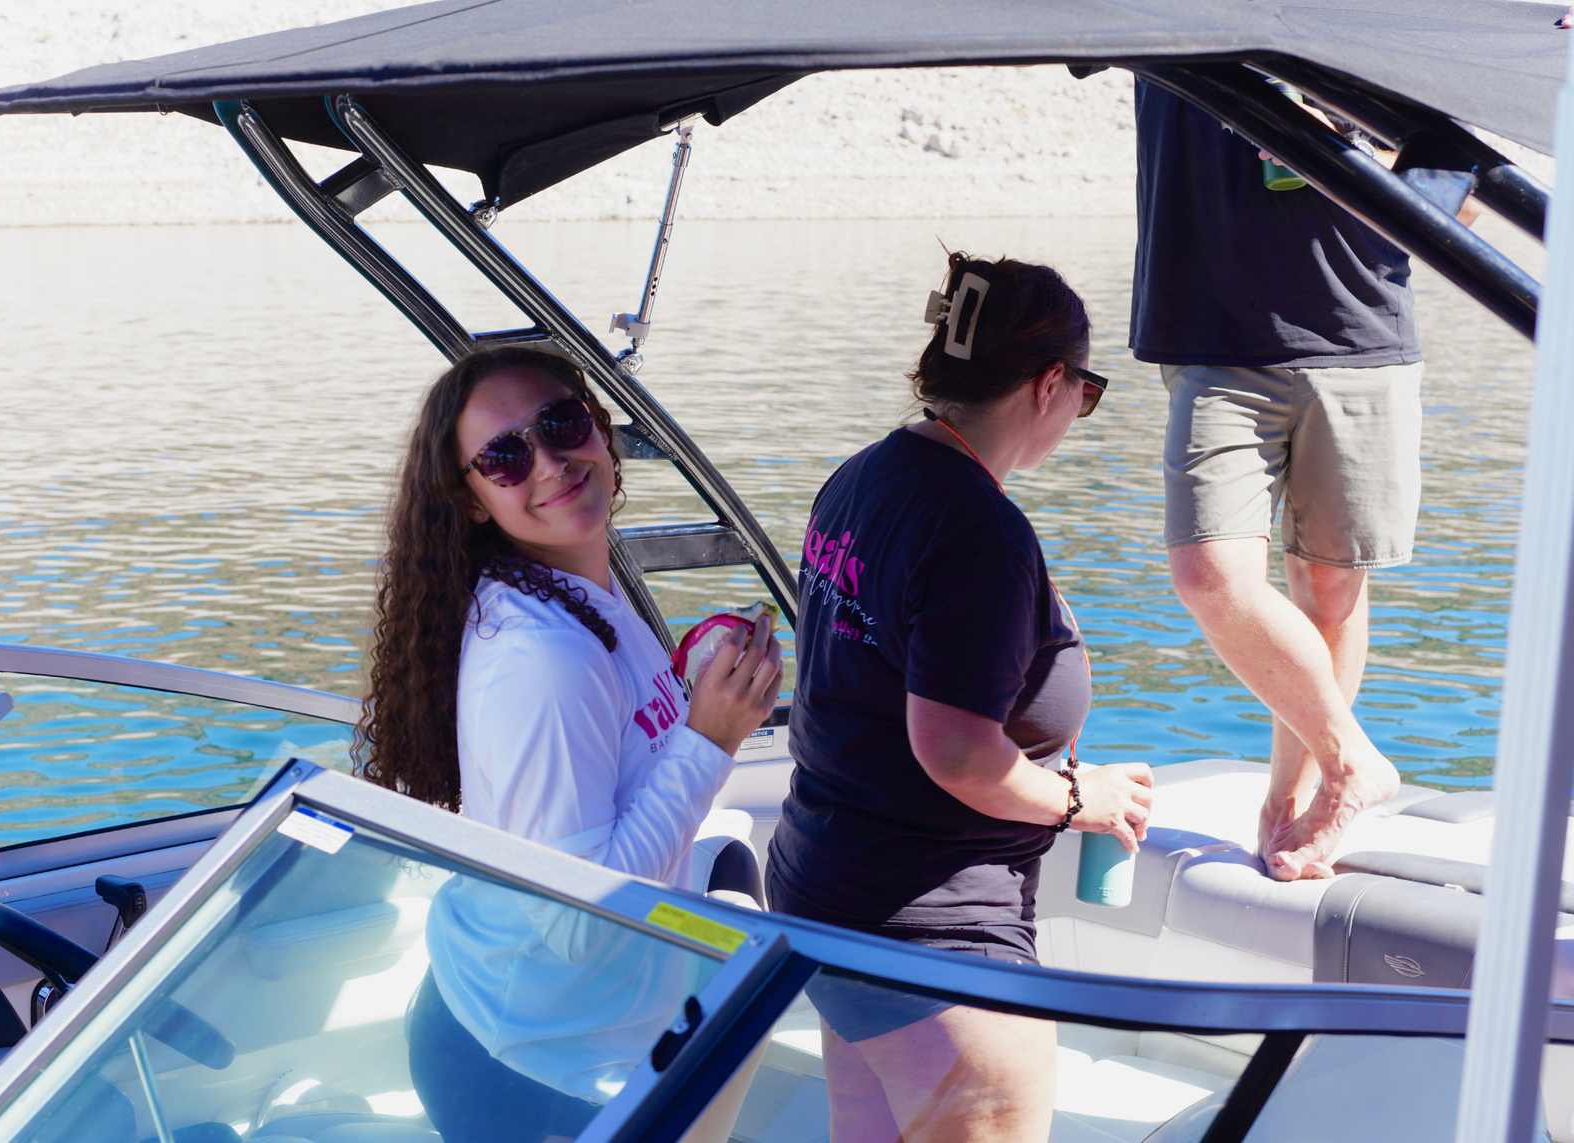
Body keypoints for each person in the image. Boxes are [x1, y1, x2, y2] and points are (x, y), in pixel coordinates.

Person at [768, 253, 1155, 1143]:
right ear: (1050, 381)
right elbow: (953, 749)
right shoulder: (981, 529)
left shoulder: (863, 476)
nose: (1076, 414)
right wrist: (1076, 799)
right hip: (932, 936)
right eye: (1086, 393)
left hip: (827, 893)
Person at [354, 345, 783, 1143]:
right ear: (475, 499)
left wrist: (694, 703)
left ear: (601, 427)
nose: (549, 461)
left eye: (561, 422)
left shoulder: (580, 588)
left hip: (572, 1030)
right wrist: (710, 737)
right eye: (505, 456)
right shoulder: (540, 654)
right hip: (535, 1071)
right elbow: (583, 920)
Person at [1132, 82, 1480, 881]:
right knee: (1209, 572)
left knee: (1329, 586)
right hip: (1214, 325)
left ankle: (1295, 799)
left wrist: (1396, 207)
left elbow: (1455, 120)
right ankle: (1352, 758)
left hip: (1361, 323)